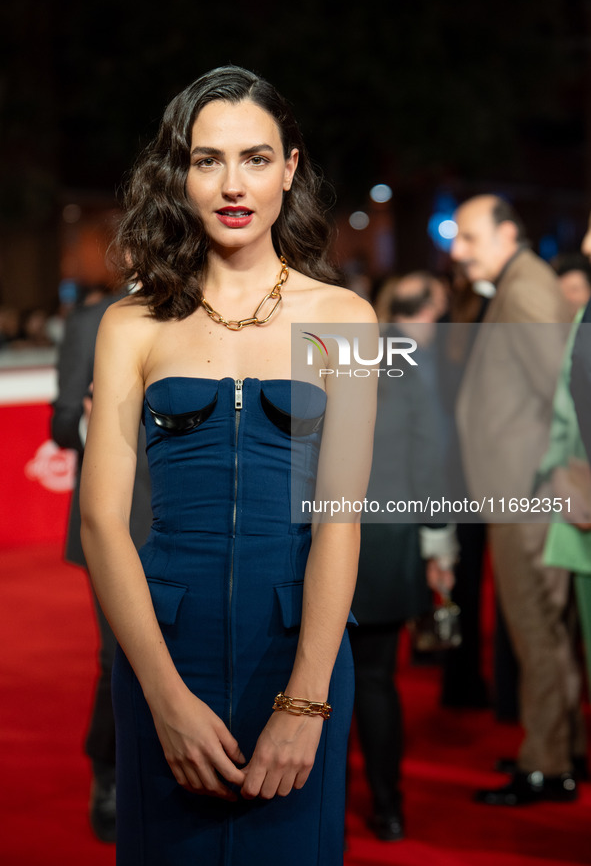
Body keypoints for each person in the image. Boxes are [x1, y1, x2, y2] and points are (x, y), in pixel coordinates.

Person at [79, 66, 376, 865]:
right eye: (207, 159)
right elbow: (102, 520)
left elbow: (339, 520)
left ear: (289, 167)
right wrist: (162, 697)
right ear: (179, 173)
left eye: (254, 157)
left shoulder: (344, 318)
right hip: (164, 646)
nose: (231, 183)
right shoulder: (132, 323)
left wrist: (306, 701)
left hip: (300, 640)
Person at [453, 194, 583, 805]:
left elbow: (566, 396)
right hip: (523, 492)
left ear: (508, 234)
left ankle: (548, 764)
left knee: (537, 632)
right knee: (541, 634)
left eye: (470, 237)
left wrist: (560, 481)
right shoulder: (518, 284)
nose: (458, 250)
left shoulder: (527, 288)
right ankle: (559, 748)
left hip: (530, 496)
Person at [349, 275, 457, 842]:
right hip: (385, 537)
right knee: (375, 679)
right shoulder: (403, 356)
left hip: (317, 537)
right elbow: (430, 453)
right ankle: (388, 807)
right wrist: (439, 542)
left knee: (316, 680)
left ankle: (323, 803)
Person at [51, 286, 152, 842]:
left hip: (200, 512)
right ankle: (110, 773)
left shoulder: (216, 304)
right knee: (121, 657)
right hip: (118, 516)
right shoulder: (94, 320)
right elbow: (63, 423)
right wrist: (98, 422)